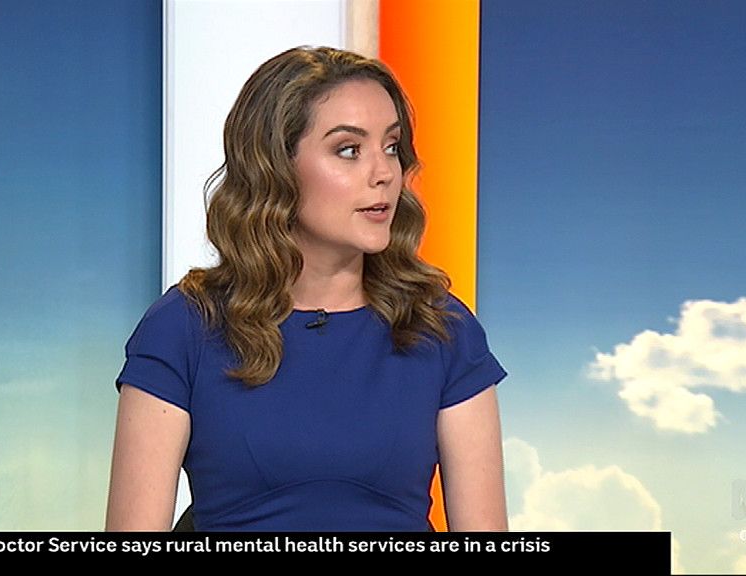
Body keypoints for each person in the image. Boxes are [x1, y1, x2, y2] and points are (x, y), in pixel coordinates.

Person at [106, 46, 508, 531]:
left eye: (391, 147)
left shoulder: (442, 328)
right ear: (275, 168)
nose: (384, 173)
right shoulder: (184, 327)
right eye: (349, 150)